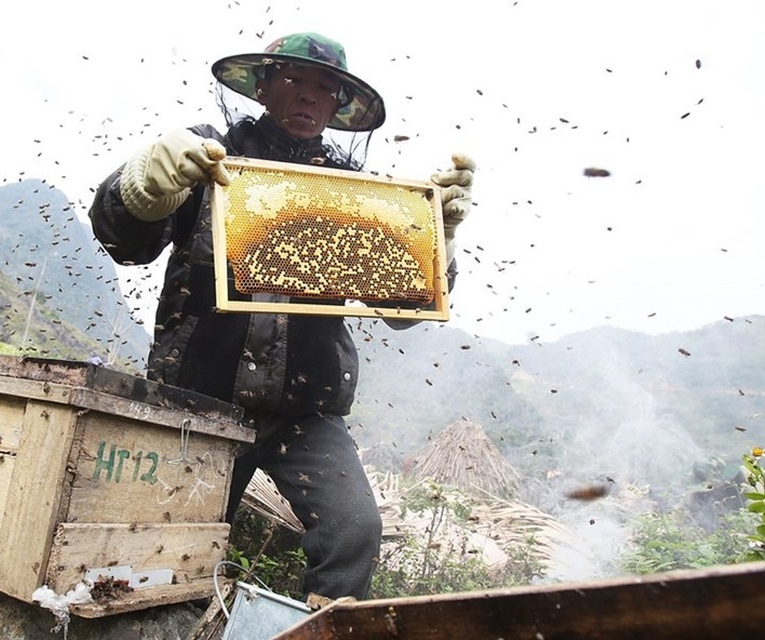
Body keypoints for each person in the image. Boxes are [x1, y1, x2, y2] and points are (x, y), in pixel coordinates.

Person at [88, 32, 475, 601]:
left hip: (306, 410)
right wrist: (142, 188)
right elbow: (124, 243)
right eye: (294, 80)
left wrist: (434, 239)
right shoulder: (211, 157)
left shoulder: (355, 193)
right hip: (203, 400)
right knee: (167, 550)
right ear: (264, 85)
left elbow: (403, 309)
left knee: (354, 532)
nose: (308, 97)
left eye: (324, 88)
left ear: (338, 104)